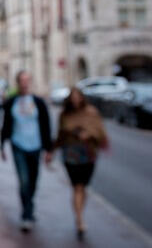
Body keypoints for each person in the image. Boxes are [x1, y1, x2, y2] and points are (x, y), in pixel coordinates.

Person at [48, 87, 108, 240]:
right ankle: (79, 219)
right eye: (72, 97)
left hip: (88, 153)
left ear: (82, 98)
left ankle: (80, 214)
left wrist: (88, 134)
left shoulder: (91, 112)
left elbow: (100, 131)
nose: (75, 100)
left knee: (83, 186)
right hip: (71, 153)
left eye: (77, 97)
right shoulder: (65, 114)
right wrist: (52, 150)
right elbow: (60, 134)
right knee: (77, 186)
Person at [0, 70, 53, 232]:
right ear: (18, 82)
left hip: (35, 145)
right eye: (22, 80)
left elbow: (45, 125)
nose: (24, 83)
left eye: (27, 80)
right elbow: (6, 124)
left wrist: (48, 149)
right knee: (23, 180)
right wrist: (1, 145)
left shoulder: (38, 102)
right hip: (18, 145)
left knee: (33, 179)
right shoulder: (12, 102)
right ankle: (27, 214)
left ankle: (29, 205)